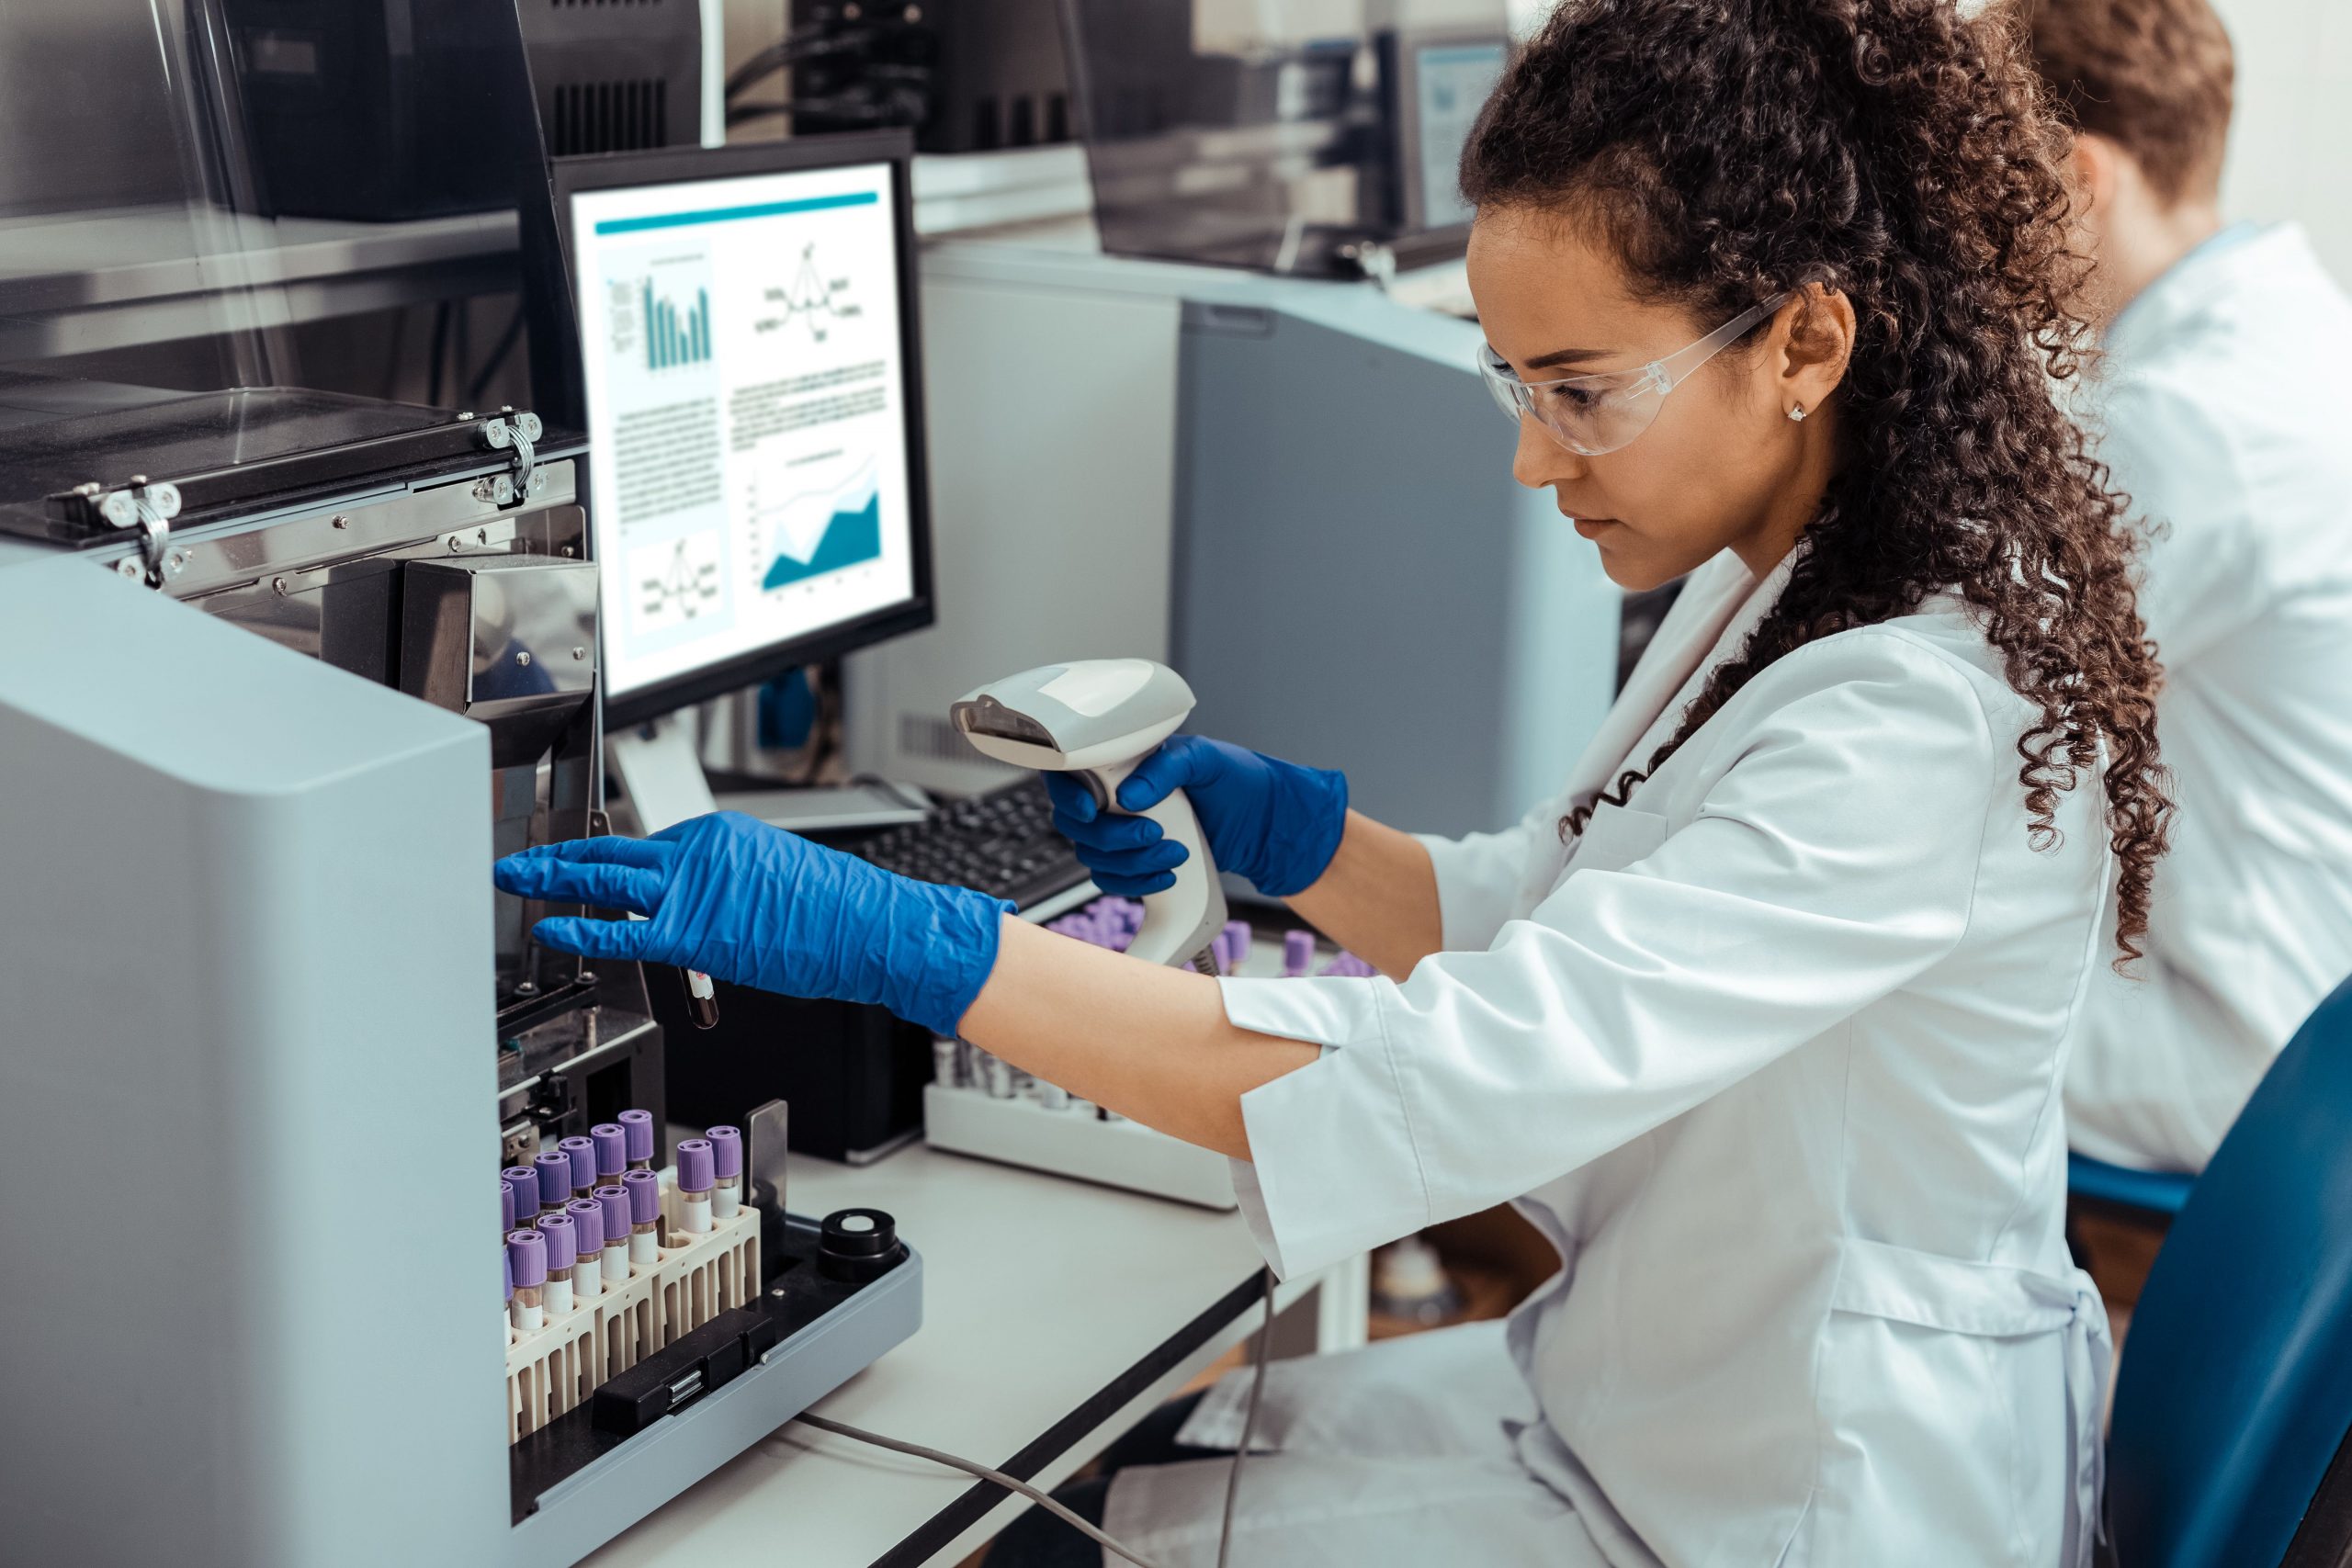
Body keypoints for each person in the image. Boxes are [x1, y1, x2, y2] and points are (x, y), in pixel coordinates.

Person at [497, 0, 2173, 1560]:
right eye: (1518, 386)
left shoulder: (1918, 719)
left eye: (1581, 393)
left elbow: (1460, 1072)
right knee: (1122, 1477)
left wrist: (919, 947)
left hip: (1811, 1492)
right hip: (1662, 1401)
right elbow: (1567, 913)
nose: (1533, 459)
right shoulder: (1799, 569)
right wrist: (1288, 832)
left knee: (1059, 1519)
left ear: (1804, 340)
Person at [2024, 0, 2352, 1175]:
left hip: (2250, 1044)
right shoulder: (2301, 335)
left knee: (1852, 1009)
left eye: (1976, 185)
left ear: (2078, 176)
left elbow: (1985, 701)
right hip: (2315, 989)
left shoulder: (2194, 425)